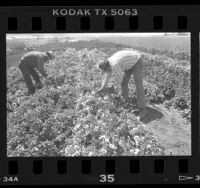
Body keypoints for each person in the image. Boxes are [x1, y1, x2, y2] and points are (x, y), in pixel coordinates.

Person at [97, 50, 148, 120]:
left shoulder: (114, 65)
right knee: (124, 84)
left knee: (138, 85)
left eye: (105, 70)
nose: (105, 72)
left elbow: (119, 79)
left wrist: (113, 90)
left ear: (107, 67)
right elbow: (108, 75)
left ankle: (143, 110)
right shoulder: (108, 63)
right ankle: (126, 104)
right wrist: (103, 87)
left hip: (137, 62)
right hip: (128, 64)